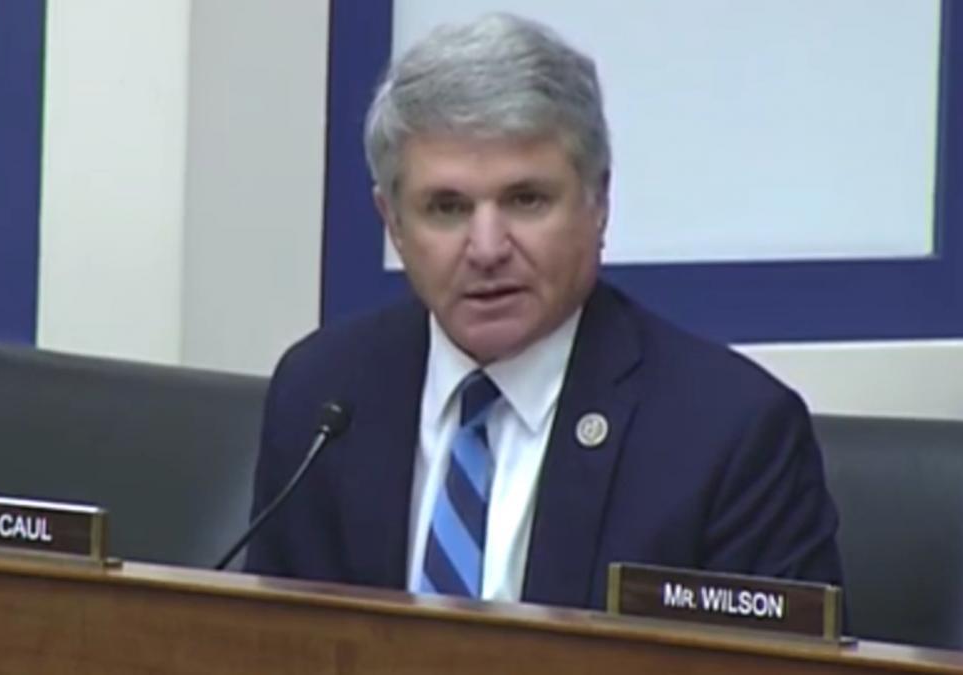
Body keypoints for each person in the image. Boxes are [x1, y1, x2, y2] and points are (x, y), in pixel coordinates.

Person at [244, 13, 842, 608]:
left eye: (526, 200)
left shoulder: (729, 435)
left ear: (598, 203)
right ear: (393, 223)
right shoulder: (323, 396)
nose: (486, 249)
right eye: (447, 208)